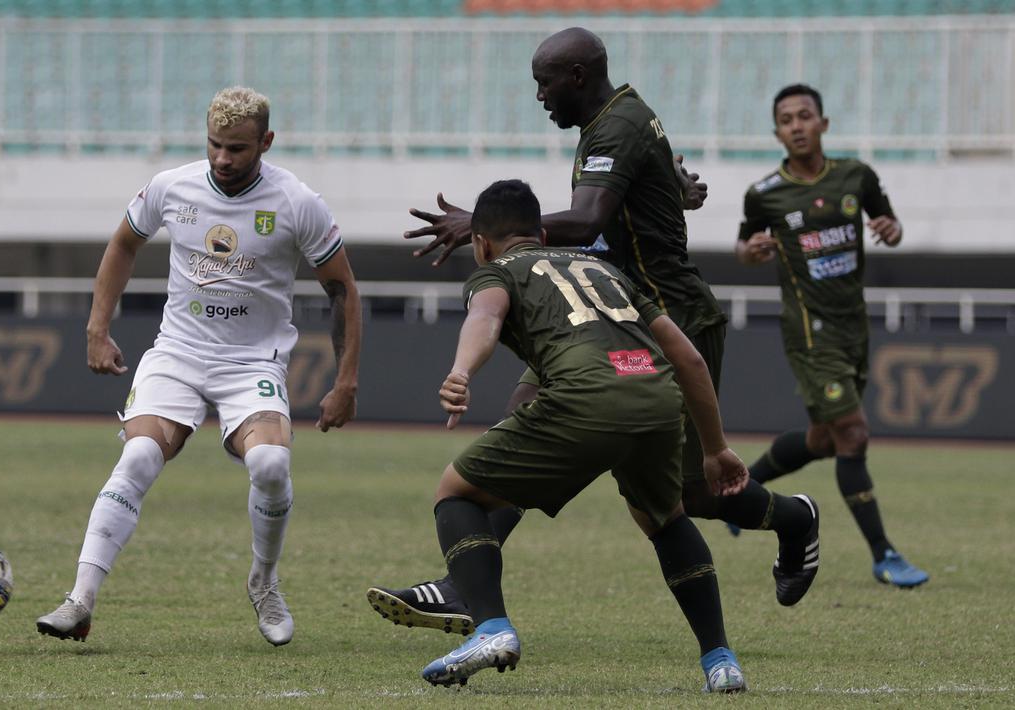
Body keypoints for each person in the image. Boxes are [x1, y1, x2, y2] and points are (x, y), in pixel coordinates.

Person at [369, 27, 819, 633]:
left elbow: (585, 221)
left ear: (577, 76)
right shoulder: (614, 123)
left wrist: (486, 222)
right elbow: (638, 189)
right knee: (528, 416)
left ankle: (793, 519)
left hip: (668, 316)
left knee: (689, 499)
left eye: (544, 83)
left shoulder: (618, 125)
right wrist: (673, 185)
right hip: (606, 315)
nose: (539, 96)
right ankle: (465, 583)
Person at [36, 86, 363, 646]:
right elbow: (122, 245)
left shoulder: (296, 202)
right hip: (178, 354)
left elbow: (343, 290)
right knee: (138, 454)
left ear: (266, 141)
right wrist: (97, 328)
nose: (222, 159)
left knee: (270, 468)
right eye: (214, 145)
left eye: (237, 149)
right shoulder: (171, 187)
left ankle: (263, 581)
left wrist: (346, 380)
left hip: (251, 362)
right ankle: (80, 599)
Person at [416, 179, 749, 691]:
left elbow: (486, 316)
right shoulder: (605, 270)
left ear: (480, 243)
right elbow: (690, 358)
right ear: (544, 233)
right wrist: (716, 447)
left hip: (583, 397)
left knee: (455, 493)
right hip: (654, 396)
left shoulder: (497, 271)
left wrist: (461, 371)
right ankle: (721, 660)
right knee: (664, 519)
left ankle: (490, 628)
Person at [735, 84, 928, 588]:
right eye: (786, 119)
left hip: (852, 326)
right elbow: (745, 247)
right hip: (809, 331)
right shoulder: (764, 194)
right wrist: (752, 251)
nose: (796, 125)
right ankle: (884, 554)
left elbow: (889, 222)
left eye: (805, 116)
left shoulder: (855, 176)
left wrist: (892, 230)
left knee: (824, 439)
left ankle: (739, 494)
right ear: (776, 132)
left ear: (824, 123)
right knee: (854, 434)